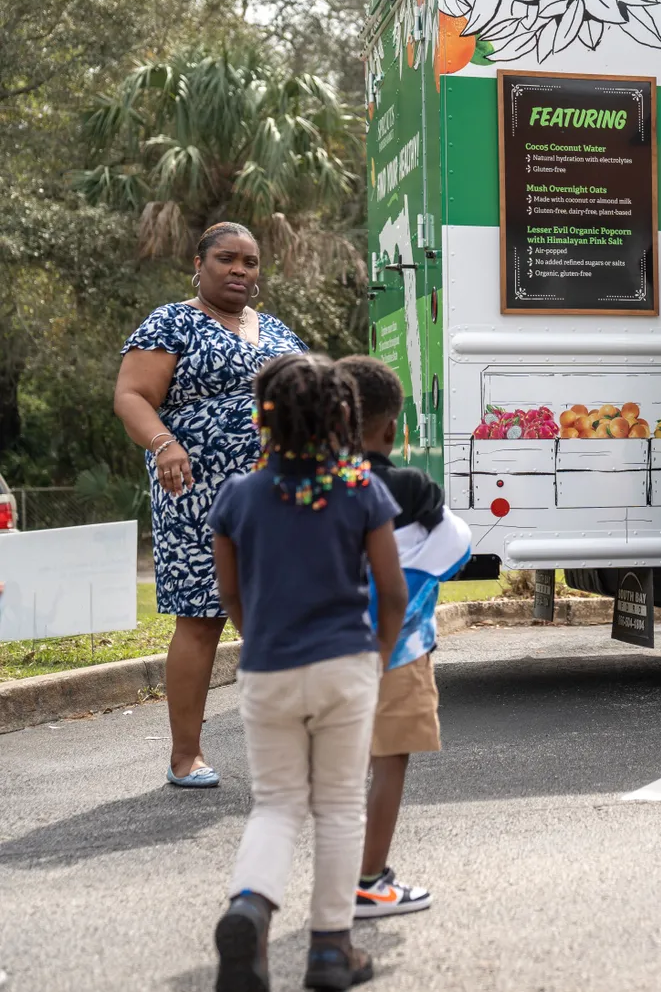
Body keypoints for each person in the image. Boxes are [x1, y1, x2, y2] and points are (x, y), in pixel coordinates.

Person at [209, 352, 408, 992]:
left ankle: (249, 906)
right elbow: (393, 590)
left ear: (264, 417)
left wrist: (257, 637)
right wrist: (376, 655)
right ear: (343, 417)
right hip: (344, 665)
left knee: (276, 805)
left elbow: (231, 591)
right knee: (340, 806)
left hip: (267, 668)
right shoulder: (359, 488)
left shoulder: (238, 494)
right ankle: (329, 950)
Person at [114, 222, 308, 788]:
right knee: (201, 617)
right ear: (198, 265)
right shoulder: (172, 322)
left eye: (250, 262)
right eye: (227, 259)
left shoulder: (275, 330)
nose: (240, 270)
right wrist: (165, 443)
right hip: (197, 492)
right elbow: (131, 395)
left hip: (280, 494)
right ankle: (186, 756)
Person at [338, 356, 472, 920]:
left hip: (320, 655)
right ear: (392, 429)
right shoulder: (412, 492)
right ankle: (369, 881)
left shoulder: (311, 491)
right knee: (387, 762)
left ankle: (334, 881)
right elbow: (457, 549)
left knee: (335, 772)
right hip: (400, 653)